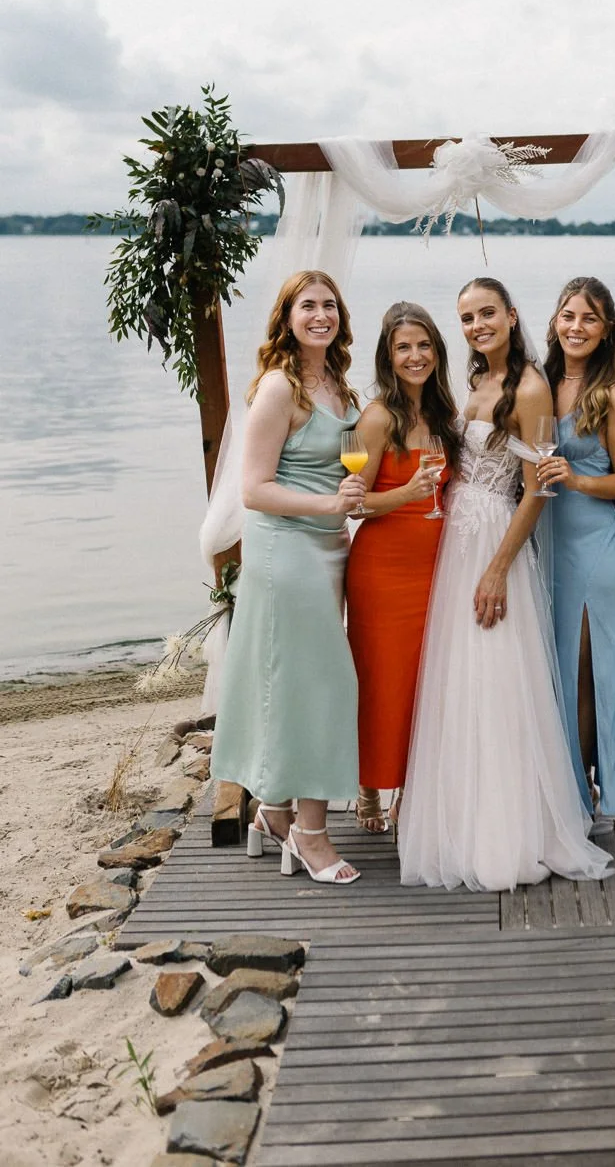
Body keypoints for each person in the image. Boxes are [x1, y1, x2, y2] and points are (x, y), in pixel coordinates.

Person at [398, 277, 614, 892]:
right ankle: (459, 820)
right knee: (458, 679)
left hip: (497, 539)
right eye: (466, 317)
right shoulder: (474, 383)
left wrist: (497, 568)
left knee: (497, 678)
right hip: (457, 541)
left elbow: (539, 486)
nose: (476, 326)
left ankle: (510, 829)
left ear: (513, 315)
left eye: (486, 313)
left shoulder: (530, 385)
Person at [210, 270, 367, 886]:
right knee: (325, 685)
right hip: (287, 553)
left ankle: (271, 812)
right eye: (308, 306)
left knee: (304, 680)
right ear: (287, 316)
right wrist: (331, 505)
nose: (321, 315)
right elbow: (253, 490)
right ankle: (309, 831)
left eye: (330, 305)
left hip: (330, 549)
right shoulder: (278, 387)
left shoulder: (336, 384)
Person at [345, 302, 460, 835]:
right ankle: (369, 787)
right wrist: (406, 496)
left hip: (436, 566)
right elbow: (353, 503)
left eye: (424, 345)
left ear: (436, 351)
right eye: (403, 347)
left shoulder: (443, 413)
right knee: (379, 681)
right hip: (382, 570)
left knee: (422, 683)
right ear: (388, 358)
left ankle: (409, 792)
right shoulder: (377, 417)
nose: (415, 356)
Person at [536, 277, 615, 821]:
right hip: (547, 546)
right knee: (551, 669)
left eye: (589, 319)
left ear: (606, 331)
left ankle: (585, 798)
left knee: (586, 672)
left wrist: (575, 480)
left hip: (595, 545)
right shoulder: (539, 381)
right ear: (554, 321)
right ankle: (563, 788)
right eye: (568, 315)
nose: (576, 327)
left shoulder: (612, 396)